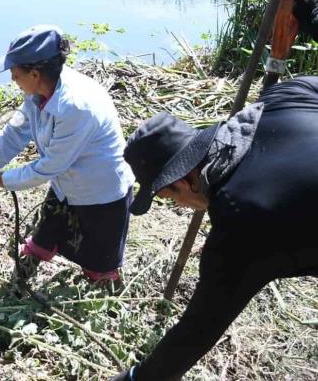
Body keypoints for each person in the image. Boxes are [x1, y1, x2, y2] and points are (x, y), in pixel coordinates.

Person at [112, 73, 318, 379]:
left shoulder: (240, 221)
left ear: (183, 181)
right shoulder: (282, 97)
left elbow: (198, 330)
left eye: (169, 196)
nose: (178, 205)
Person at [0, 25, 134, 283]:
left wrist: (8, 179)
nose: (12, 80)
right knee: (47, 231)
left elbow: (50, 166)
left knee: (99, 261)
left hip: (101, 193)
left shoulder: (76, 106)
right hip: (68, 183)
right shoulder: (38, 93)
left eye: (15, 74)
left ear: (34, 73)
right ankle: (25, 270)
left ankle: (100, 301)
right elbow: (16, 132)